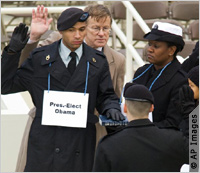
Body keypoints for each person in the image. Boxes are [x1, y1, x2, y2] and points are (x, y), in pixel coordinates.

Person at [1, 8, 125, 172]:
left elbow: (106, 95)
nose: (77, 36)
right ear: (60, 31)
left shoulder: (97, 61)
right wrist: (12, 52)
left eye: (81, 30)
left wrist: (112, 107)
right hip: (45, 143)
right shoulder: (40, 58)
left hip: (81, 143)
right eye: (71, 30)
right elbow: (6, 85)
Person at [93, 83, 189, 172]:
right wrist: (192, 116)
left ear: (125, 108)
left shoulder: (108, 145)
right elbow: (196, 156)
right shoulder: (175, 140)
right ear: (152, 108)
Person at [132, 21, 188, 128]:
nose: (149, 49)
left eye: (156, 46)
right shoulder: (141, 72)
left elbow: (173, 123)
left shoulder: (181, 80)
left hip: (160, 141)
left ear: (171, 50)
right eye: (149, 44)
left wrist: (141, 129)